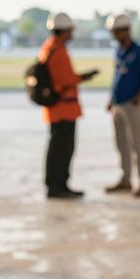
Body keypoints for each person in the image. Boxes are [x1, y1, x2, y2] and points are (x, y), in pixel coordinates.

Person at [40, 12, 97, 199]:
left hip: (60, 108)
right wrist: (83, 77)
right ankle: (57, 187)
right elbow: (65, 79)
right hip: (63, 109)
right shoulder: (58, 51)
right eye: (70, 30)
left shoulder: (50, 48)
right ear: (63, 31)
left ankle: (59, 185)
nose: (72, 33)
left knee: (59, 149)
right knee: (61, 150)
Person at [104, 13, 140, 198]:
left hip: (132, 105)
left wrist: (138, 98)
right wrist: (111, 99)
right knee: (121, 144)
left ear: (126, 30)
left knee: (137, 144)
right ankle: (125, 179)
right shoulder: (118, 51)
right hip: (117, 104)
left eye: (117, 31)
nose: (114, 35)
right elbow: (117, 76)